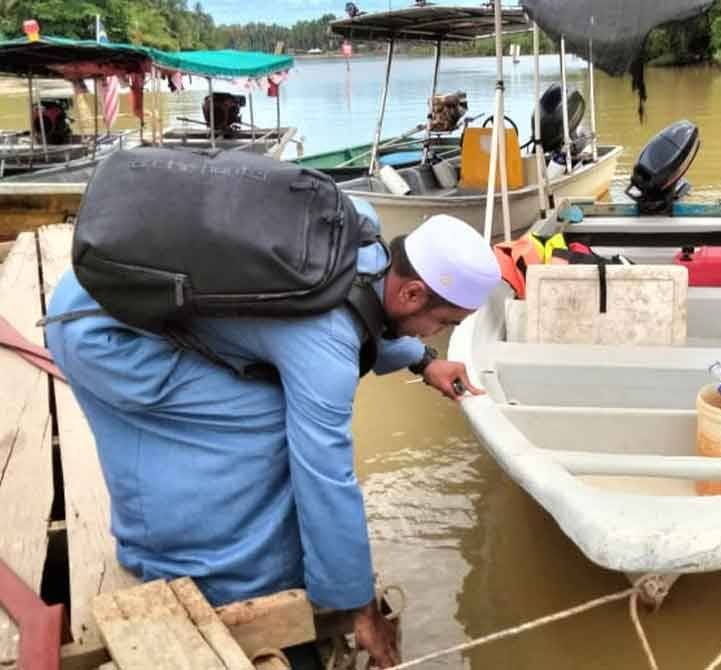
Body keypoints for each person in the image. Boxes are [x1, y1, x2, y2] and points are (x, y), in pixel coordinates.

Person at [45, 207, 501, 668]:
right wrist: (358, 605)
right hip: (106, 333)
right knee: (268, 416)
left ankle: (177, 535)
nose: (438, 333)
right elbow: (325, 475)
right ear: (413, 292)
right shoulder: (324, 347)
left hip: (96, 291)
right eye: (445, 323)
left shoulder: (358, 243)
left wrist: (424, 360)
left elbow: (362, 315)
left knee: (246, 408)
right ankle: (221, 574)